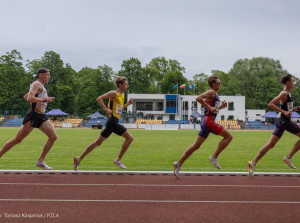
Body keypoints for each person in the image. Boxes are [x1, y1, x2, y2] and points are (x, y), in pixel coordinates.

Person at [173, 75, 233, 178]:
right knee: (229, 137)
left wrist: (221, 107)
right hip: (208, 121)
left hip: (206, 121)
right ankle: (214, 157)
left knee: (196, 146)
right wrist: (210, 106)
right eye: (218, 83)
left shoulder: (215, 94)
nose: (220, 84)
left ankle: (178, 164)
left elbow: (213, 109)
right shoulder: (211, 92)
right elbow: (198, 98)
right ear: (213, 84)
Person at [0, 68, 57, 170]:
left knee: (53, 137)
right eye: (47, 74)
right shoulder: (36, 84)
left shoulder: (41, 86)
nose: (49, 76)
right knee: (17, 140)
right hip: (34, 115)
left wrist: (38, 99)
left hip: (42, 116)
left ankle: (40, 161)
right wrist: (45, 99)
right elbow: (29, 98)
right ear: (41, 75)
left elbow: (26, 96)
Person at [74, 76, 134, 171]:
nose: (127, 85)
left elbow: (119, 108)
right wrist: (106, 109)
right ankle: (118, 160)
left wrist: (128, 104)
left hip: (114, 121)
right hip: (112, 121)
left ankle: (78, 159)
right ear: (120, 84)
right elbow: (99, 98)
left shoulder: (122, 95)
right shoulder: (114, 93)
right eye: (126, 84)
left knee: (97, 143)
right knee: (130, 138)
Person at [248, 74, 300, 177]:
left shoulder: (288, 94)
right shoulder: (284, 93)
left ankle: (252, 163)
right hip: (284, 122)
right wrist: (284, 112)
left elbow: (287, 110)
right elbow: (270, 104)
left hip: (281, 122)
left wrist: (296, 109)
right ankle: (288, 157)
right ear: (287, 82)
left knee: (270, 145)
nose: (293, 83)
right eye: (292, 81)